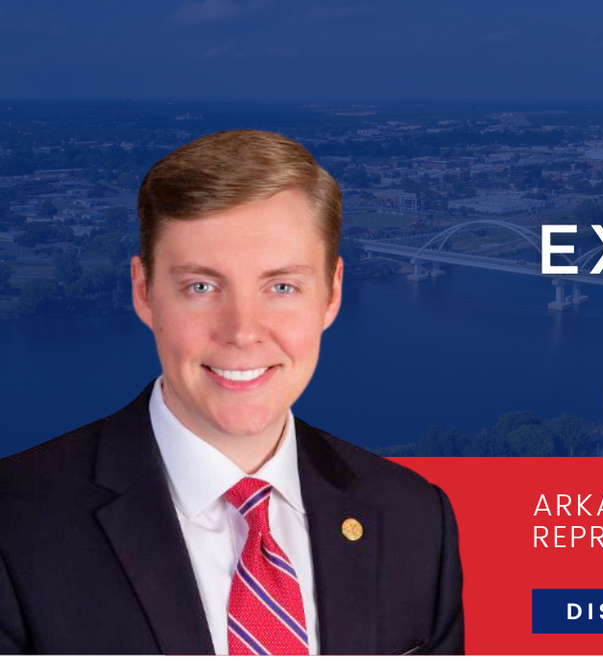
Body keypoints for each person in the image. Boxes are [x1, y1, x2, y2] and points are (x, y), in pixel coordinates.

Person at [0, 130, 463, 655]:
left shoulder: (416, 520)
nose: (243, 331)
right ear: (144, 292)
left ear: (331, 296)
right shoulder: (16, 525)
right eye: (202, 287)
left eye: (281, 287)